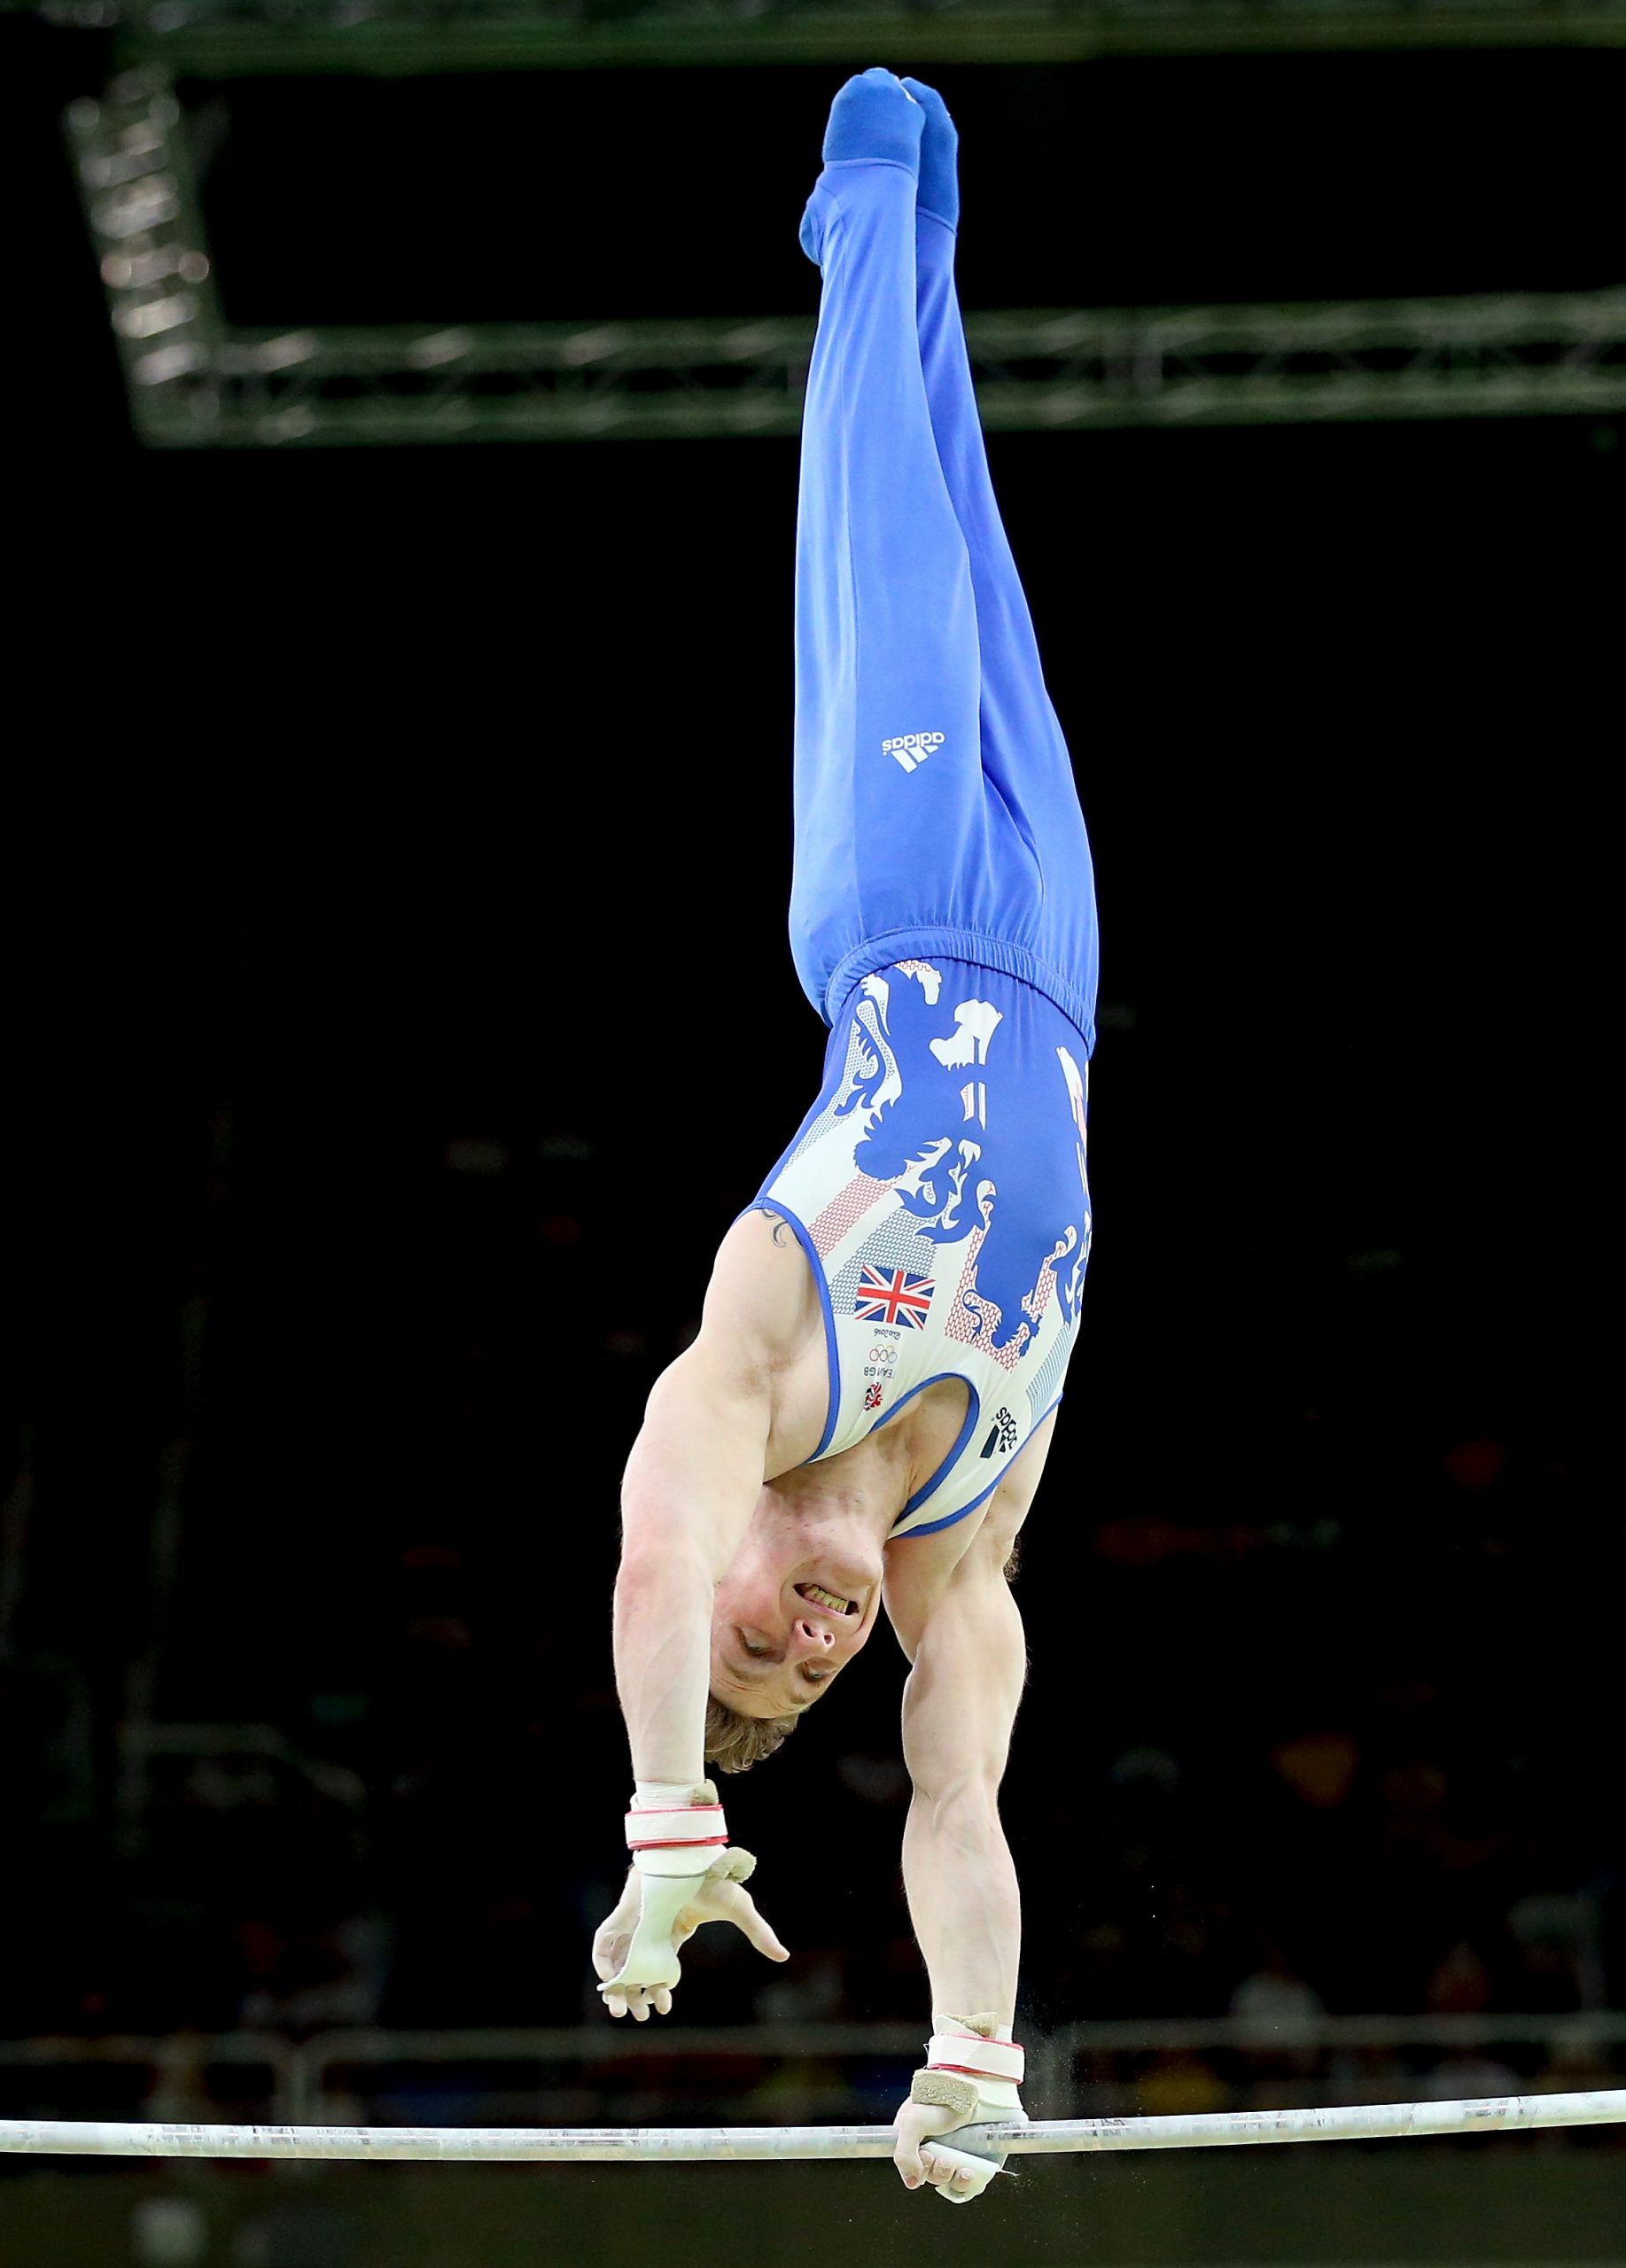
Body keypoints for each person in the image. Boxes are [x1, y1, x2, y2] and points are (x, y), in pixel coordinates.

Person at [592, 69, 1099, 2204]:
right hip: (1063, 956)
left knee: (879, 499)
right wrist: (971, 2048)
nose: (800, 1638)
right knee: (976, 520)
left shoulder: (757, 1354)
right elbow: (960, 1808)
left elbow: (644, 1548)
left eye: (751, 1636)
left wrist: (672, 1818)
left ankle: (865, 183)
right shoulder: (964, 1539)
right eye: (804, 1675)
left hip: (887, 899)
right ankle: (936, 227)